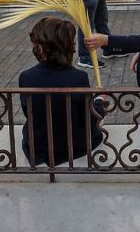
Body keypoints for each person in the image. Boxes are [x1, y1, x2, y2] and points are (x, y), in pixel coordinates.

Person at [20, 17, 105, 166]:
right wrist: (100, 101)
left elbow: (29, 113)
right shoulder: (78, 78)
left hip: (38, 147)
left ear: (39, 49)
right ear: (70, 47)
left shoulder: (26, 77)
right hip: (73, 147)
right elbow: (89, 118)